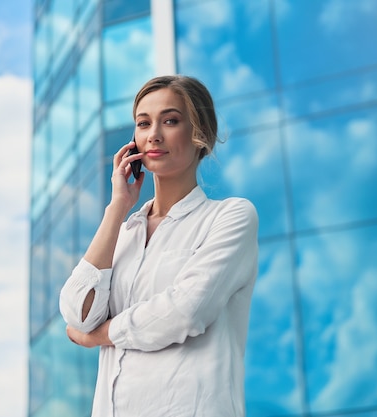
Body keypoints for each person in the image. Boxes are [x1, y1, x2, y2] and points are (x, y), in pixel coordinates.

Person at [59, 75, 258, 417]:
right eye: (143, 123)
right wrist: (117, 207)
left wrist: (102, 335)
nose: (153, 134)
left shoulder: (230, 216)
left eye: (170, 120)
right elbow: (78, 315)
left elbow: (186, 311)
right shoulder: (124, 233)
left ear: (200, 135)